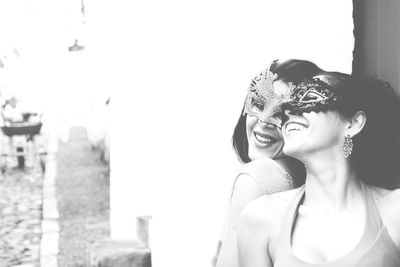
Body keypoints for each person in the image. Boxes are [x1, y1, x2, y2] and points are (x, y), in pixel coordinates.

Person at [237, 71, 400, 266]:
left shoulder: (394, 211)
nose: (289, 112)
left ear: (354, 123)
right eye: (287, 106)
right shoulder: (261, 219)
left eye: (309, 97)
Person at [213, 59, 322, 267]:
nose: (264, 121)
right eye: (259, 104)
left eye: (281, 114)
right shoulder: (307, 181)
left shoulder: (255, 179)